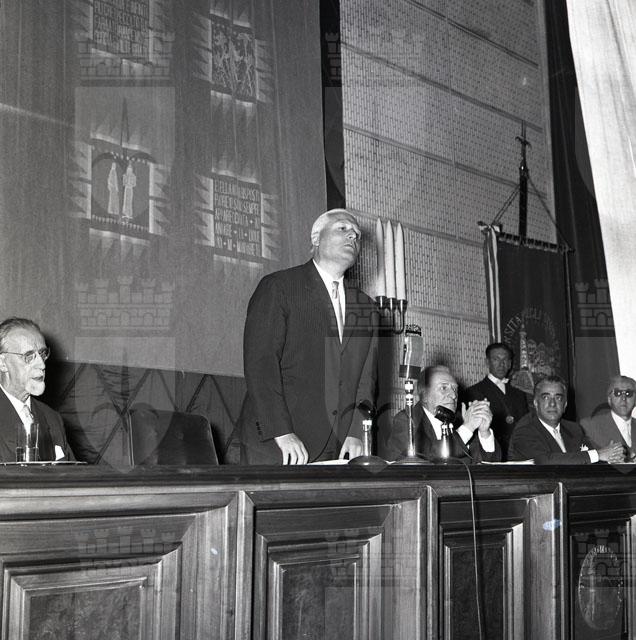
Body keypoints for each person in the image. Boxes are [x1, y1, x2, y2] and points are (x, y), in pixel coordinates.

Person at [238, 208, 378, 464]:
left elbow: (365, 381)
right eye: (343, 228)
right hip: (279, 444)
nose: (352, 236)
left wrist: (356, 432)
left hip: (338, 448)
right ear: (316, 238)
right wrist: (282, 432)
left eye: (357, 234)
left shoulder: (366, 307)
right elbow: (261, 363)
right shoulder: (279, 287)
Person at [382, 365, 501, 462]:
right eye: (444, 388)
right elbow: (423, 462)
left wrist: (484, 432)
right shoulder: (407, 420)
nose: (453, 395)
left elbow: (491, 467)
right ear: (425, 395)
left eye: (455, 389)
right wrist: (466, 429)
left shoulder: (461, 419)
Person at [0, 317, 75, 462]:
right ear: (2, 363)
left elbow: (71, 474)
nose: (42, 365)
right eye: (29, 356)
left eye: (42, 354)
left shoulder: (52, 419)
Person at [508, 375, 624, 464]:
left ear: (565, 405)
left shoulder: (573, 429)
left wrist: (613, 457)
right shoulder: (524, 429)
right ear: (536, 403)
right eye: (546, 397)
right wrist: (598, 454)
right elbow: (545, 461)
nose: (552, 404)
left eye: (558, 398)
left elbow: (590, 459)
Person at [464, 342, 528, 460]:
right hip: (492, 454)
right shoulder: (473, 392)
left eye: (505, 360)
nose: (501, 364)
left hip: (519, 455)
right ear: (487, 362)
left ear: (510, 364)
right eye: (496, 359)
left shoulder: (519, 394)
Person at [580, 375, 636, 462]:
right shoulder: (589, 426)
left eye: (628, 393)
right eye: (618, 393)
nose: (623, 398)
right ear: (609, 399)